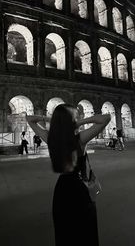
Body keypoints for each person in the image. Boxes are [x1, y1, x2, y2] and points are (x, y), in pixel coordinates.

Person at [26, 104, 111, 246]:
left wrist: (51, 119)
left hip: (62, 190)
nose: (78, 119)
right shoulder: (80, 139)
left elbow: (30, 119)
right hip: (79, 189)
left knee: (65, 233)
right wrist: (80, 123)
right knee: (84, 232)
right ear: (70, 120)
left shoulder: (50, 137)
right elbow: (105, 118)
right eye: (75, 117)